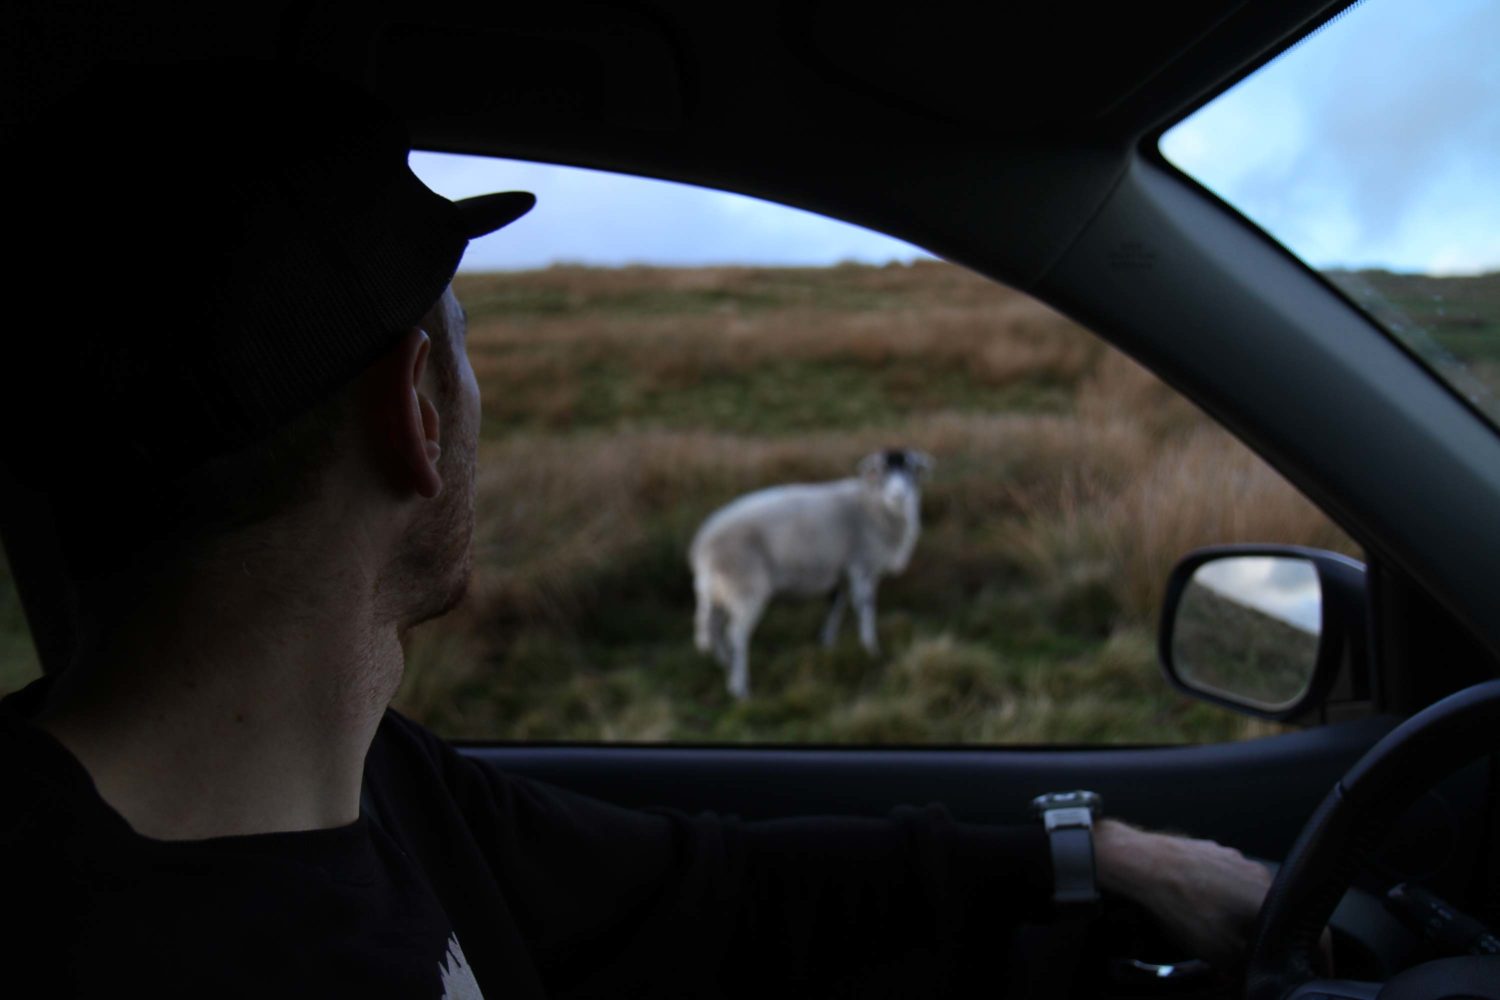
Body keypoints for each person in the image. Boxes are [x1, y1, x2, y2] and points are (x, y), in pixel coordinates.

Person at [0, 61, 1274, 997]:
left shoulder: (379, 783)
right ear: (418, 411)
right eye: (465, 346)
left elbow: (717, 887)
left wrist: (1100, 852)